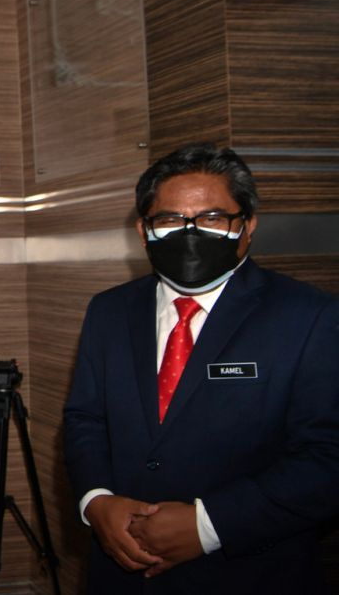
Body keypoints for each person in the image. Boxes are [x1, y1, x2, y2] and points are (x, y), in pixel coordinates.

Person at [63, 144, 339, 594]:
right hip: (120, 571)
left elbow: (328, 457)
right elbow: (84, 420)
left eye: (212, 218)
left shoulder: (310, 317)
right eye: (170, 220)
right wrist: (96, 502)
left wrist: (207, 525)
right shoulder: (108, 311)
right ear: (143, 229)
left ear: (247, 225)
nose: (190, 234)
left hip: (250, 573)